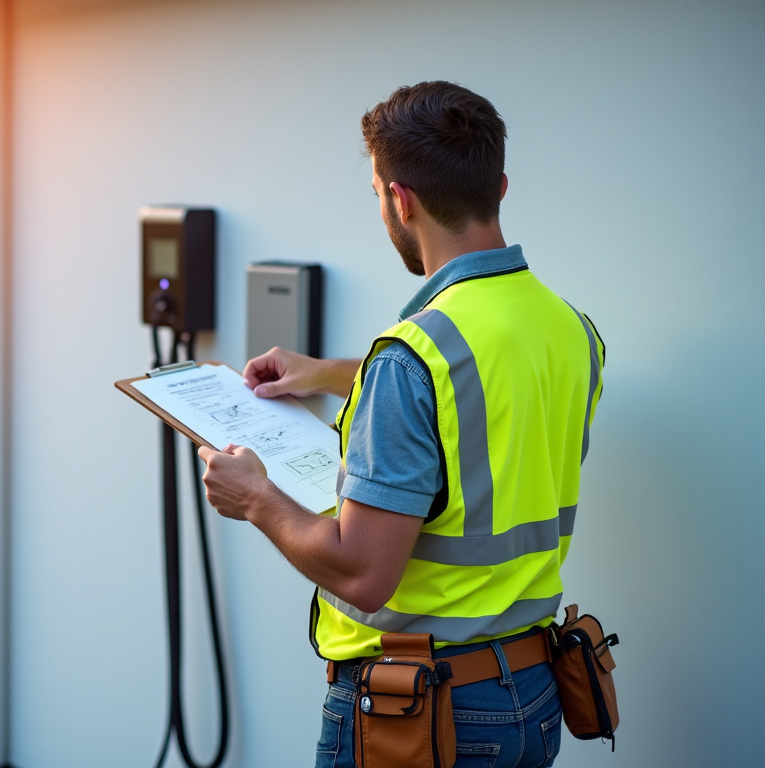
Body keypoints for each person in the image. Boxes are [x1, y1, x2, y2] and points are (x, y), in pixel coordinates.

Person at [197, 81, 605, 768]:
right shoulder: (569, 329)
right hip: (532, 694)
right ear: (498, 186)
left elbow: (363, 574)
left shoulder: (413, 357)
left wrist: (257, 500)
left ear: (399, 199)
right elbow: (475, 395)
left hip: (423, 712)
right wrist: (328, 372)